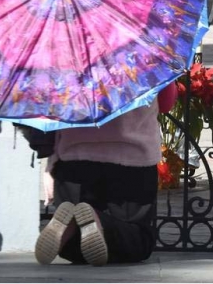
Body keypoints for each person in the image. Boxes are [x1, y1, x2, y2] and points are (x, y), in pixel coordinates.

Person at [34, 82, 177, 266]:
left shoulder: (66, 58)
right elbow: (166, 102)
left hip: (73, 158)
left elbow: (47, 106)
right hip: (132, 157)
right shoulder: (147, 56)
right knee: (138, 240)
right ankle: (97, 219)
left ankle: (70, 230)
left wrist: (50, 163)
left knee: (78, 250)